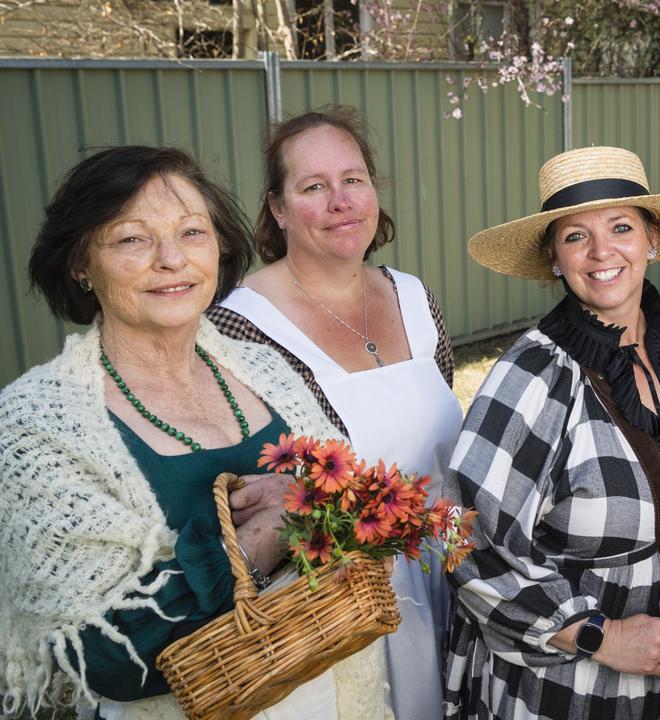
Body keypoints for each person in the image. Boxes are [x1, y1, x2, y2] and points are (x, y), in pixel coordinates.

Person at [0, 146, 391, 719]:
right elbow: (105, 653)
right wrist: (272, 530)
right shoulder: (33, 424)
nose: (171, 260)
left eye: (192, 232)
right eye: (131, 239)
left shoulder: (264, 370)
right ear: (81, 265)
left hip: (340, 696)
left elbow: (358, 513)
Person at [442, 146, 660, 719]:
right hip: (577, 694)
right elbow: (465, 542)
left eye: (620, 227)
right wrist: (600, 636)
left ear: (652, 240)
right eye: (575, 236)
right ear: (555, 260)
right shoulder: (533, 374)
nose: (601, 252)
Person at [206, 105, 461, 720]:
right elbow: (257, 490)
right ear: (278, 209)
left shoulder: (414, 295)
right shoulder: (238, 325)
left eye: (354, 179)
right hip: (342, 602)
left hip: (454, 570)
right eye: (314, 187)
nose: (342, 201)